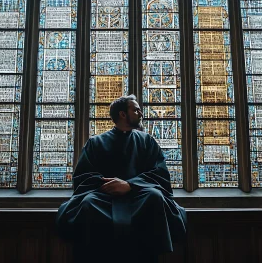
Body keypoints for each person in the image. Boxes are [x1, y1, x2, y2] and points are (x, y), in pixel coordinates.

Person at [56, 95, 187, 263]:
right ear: (122, 114)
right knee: (88, 203)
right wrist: (111, 185)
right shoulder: (96, 142)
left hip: (140, 196)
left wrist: (129, 185)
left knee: (155, 197)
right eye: (136, 109)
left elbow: (159, 173)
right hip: (104, 198)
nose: (141, 113)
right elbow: (84, 176)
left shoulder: (147, 141)